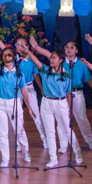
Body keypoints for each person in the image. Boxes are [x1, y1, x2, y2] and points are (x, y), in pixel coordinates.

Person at [31, 39, 92, 151]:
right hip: (62, 95)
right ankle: (63, 145)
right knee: (61, 121)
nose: (69, 49)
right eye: (67, 47)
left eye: (72, 47)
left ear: (76, 50)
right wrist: (36, 47)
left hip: (76, 93)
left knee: (81, 119)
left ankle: (89, 140)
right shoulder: (60, 62)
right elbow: (48, 54)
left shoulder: (81, 64)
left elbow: (88, 79)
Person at [0, 25, 48, 149]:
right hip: (15, 90)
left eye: (22, 44)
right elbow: (2, 47)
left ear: (27, 46)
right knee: (17, 117)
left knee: (35, 114)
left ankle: (44, 138)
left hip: (28, 88)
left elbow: (36, 76)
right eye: (17, 45)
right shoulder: (14, 60)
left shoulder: (31, 60)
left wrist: (40, 88)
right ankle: (20, 142)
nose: (19, 47)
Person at [25, 38, 84, 168]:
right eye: (51, 57)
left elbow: (69, 94)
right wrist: (28, 51)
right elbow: (36, 61)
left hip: (61, 103)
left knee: (67, 130)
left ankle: (77, 152)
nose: (51, 60)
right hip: (46, 103)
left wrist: (69, 110)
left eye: (54, 58)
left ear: (61, 61)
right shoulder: (45, 70)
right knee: (50, 131)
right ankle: (53, 158)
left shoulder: (67, 75)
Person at [0, 39, 35, 166]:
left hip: (14, 102)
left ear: (14, 57)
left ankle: (26, 151)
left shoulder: (19, 74)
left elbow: (24, 92)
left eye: (9, 55)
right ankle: (5, 158)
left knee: (19, 130)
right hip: (0, 103)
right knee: (2, 132)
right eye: (4, 55)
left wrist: (30, 107)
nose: (7, 57)